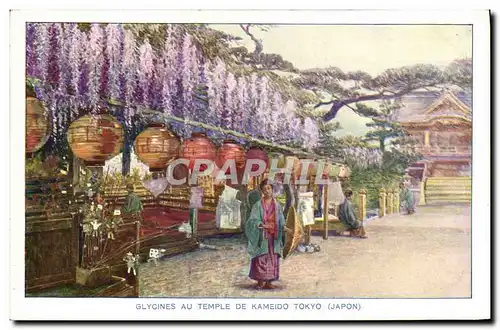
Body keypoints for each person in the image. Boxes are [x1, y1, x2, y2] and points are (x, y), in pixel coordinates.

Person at [245, 179, 291, 290]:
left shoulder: (277, 205)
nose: (267, 191)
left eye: (269, 188)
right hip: (262, 236)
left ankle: (269, 281)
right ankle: (260, 281)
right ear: (262, 191)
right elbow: (252, 220)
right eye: (264, 189)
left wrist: (285, 228)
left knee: (272, 258)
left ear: (272, 189)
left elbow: (281, 220)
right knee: (261, 257)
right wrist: (261, 225)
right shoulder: (257, 205)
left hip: (274, 236)